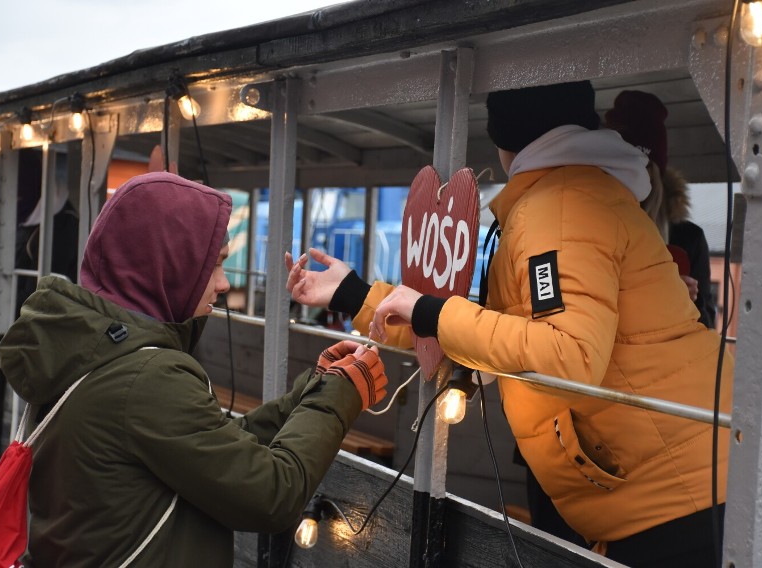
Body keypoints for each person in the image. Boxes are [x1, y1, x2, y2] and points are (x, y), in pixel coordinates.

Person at [286, 80, 732, 566]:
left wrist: (430, 311)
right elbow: (498, 330)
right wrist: (354, 294)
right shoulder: (573, 194)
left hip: (674, 497)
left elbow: (569, 353)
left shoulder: (559, 207)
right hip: (680, 485)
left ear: (506, 137)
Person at [0, 171, 388, 566]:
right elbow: (271, 494)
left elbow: (207, 446)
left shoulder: (93, 348)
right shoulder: (146, 376)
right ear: (169, 263)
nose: (222, 283)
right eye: (214, 265)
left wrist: (314, 390)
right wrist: (340, 395)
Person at [605, 89, 717, 329]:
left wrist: (683, 302)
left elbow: (705, 328)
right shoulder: (588, 226)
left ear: (655, 173)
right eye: (616, 168)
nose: (628, 180)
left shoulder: (688, 240)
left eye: (640, 168)